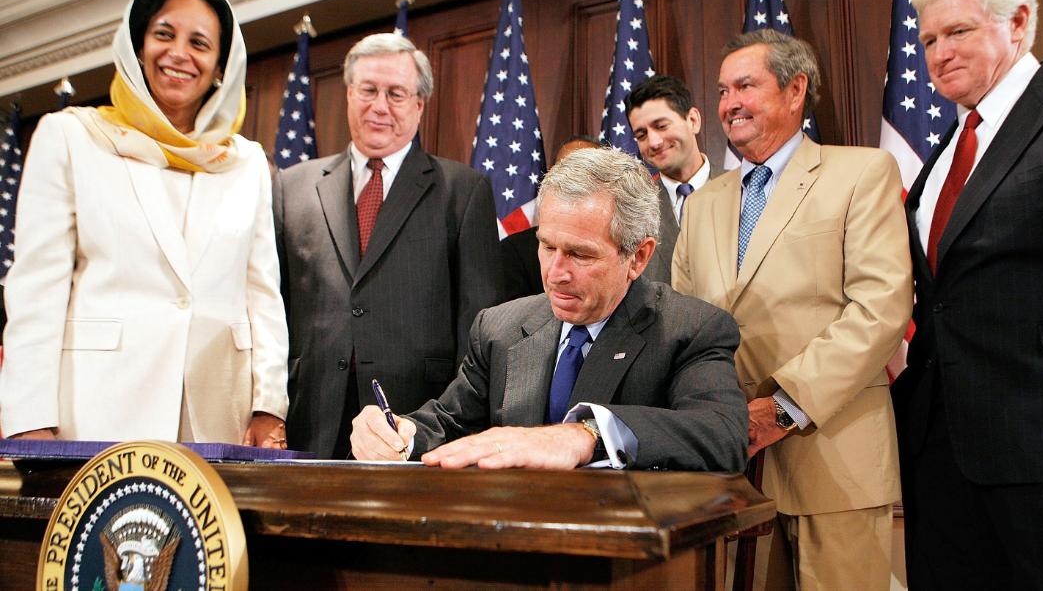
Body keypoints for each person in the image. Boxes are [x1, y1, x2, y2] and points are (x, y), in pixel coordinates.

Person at [0, 0, 288, 447]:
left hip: (218, 418)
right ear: (137, 47)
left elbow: (262, 295)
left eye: (199, 43)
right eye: (164, 34)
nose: (179, 53)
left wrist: (268, 406)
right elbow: (37, 291)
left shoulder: (246, 162)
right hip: (98, 413)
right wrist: (30, 418)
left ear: (221, 67)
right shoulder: (71, 137)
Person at [673, 29, 912, 589]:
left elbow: (880, 308)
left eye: (745, 86)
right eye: (723, 89)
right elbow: (681, 325)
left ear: (795, 89)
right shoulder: (702, 204)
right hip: (730, 470)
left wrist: (782, 409)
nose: (729, 103)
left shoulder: (862, 173)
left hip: (835, 461)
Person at [350, 147, 749, 472]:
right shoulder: (499, 328)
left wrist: (586, 435)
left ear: (638, 257)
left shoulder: (692, 329)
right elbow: (451, 423)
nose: (555, 273)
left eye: (579, 254)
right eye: (547, 247)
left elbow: (722, 434)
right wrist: (399, 432)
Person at [894, 0, 1043, 587]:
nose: (939, 53)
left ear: (1017, 23)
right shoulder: (949, 147)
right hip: (942, 451)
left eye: (957, 31)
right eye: (928, 40)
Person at [275, 33, 508, 458]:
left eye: (396, 94)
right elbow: (274, 307)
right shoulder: (292, 187)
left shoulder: (463, 190)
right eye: (368, 90)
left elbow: (478, 325)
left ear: (419, 104)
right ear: (348, 94)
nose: (379, 106)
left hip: (417, 419)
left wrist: (458, 425)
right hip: (309, 416)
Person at [626, 75, 721, 284]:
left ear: (693, 121)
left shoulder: (743, 190)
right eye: (641, 135)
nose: (654, 142)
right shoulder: (632, 207)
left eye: (661, 126)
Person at [500, 135, 600, 299]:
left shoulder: (621, 244)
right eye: (567, 170)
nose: (575, 181)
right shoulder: (513, 252)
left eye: (587, 171)